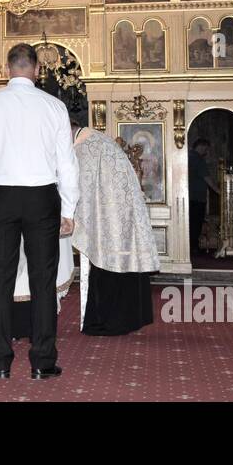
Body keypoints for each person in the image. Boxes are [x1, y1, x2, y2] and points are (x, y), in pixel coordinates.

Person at [0, 43, 79, 380]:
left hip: (1, 197)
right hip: (42, 198)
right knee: (43, 281)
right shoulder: (54, 107)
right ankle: (43, 362)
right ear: (37, 70)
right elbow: (67, 165)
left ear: (7, 69)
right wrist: (68, 209)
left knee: (0, 279)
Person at [70, 113, 161, 336]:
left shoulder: (85, 147)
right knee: (122, 264)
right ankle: (128, 320)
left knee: (108, 266)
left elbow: (79, 188)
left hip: (108, 218)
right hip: (119, 213)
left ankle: (109, 322)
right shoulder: (98, 140)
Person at [188, 138, 219, 255]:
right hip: (197, 197)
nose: (206, 151)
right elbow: (207, 178)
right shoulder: (198, 159)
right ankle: (194, 247)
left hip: (188, 197)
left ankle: (189, 247)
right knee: (196, 223)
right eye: (205, 149)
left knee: (190, 222)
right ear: (200, 146)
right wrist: (218, 191)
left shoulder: (188, 156)